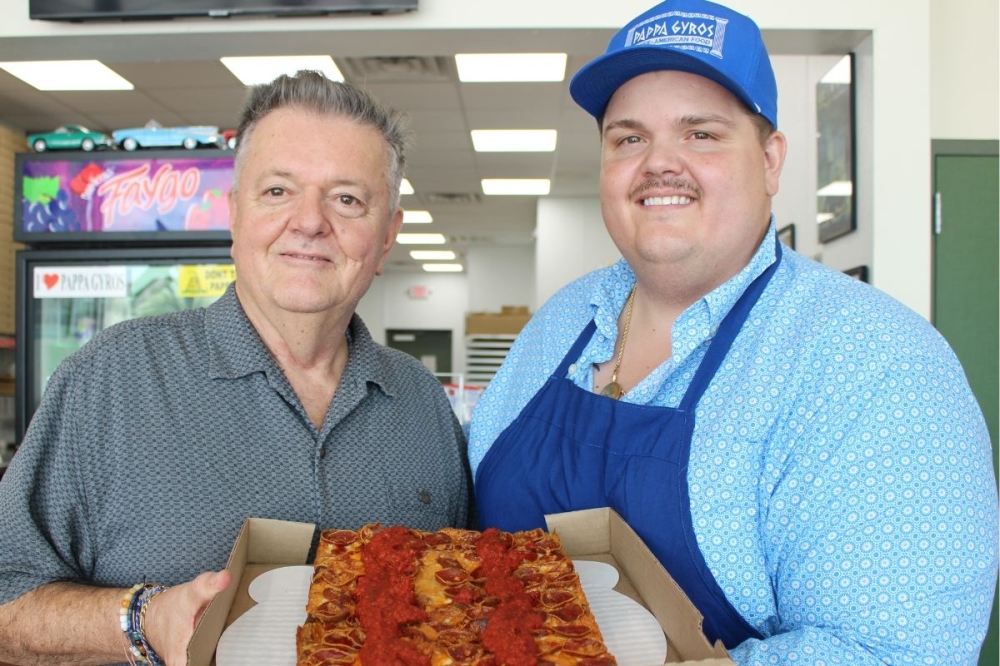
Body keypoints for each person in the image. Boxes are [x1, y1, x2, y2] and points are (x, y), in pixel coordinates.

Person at [469, 0, 998, 663]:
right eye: (628, 137)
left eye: (702, 133)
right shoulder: (562, 322)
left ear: (771, 160)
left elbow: (893, 652)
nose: (660, 163)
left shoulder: (877, 364)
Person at [0, 71, 472, 665]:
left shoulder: (424, 404)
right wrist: (142, 620)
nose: (309, 221)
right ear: (233, 215)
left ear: (386, 238)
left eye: (347, 198)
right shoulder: (110, 381)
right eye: (278, 191)